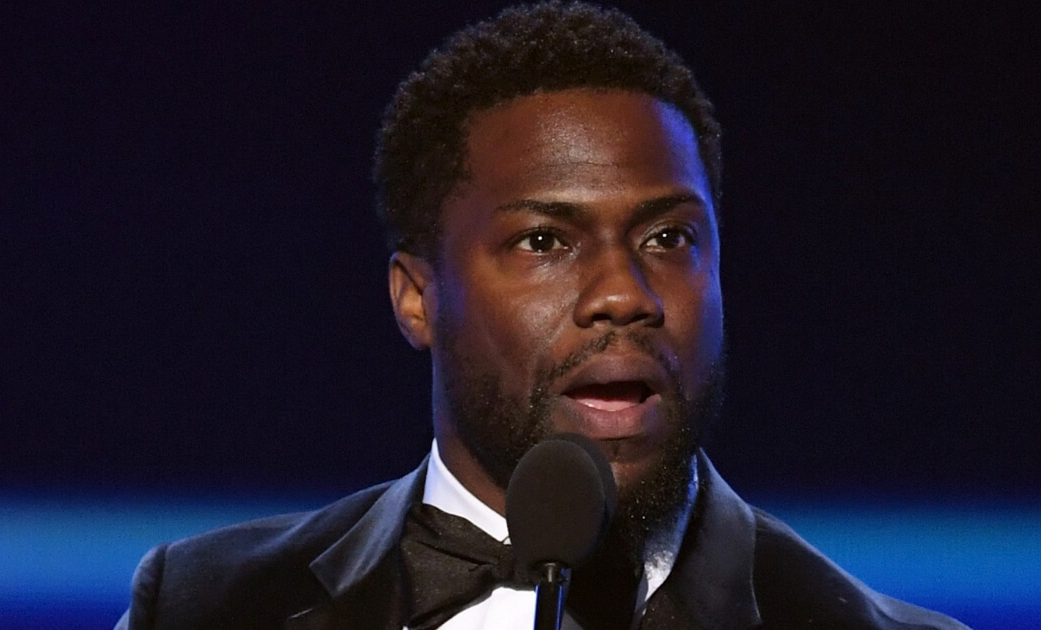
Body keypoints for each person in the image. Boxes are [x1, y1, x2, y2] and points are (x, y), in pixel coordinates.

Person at [116, 3, 969, 629]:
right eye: (544, 242)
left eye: (669, 236)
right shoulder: (202, 608)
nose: (625, 294)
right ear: (417, 297)